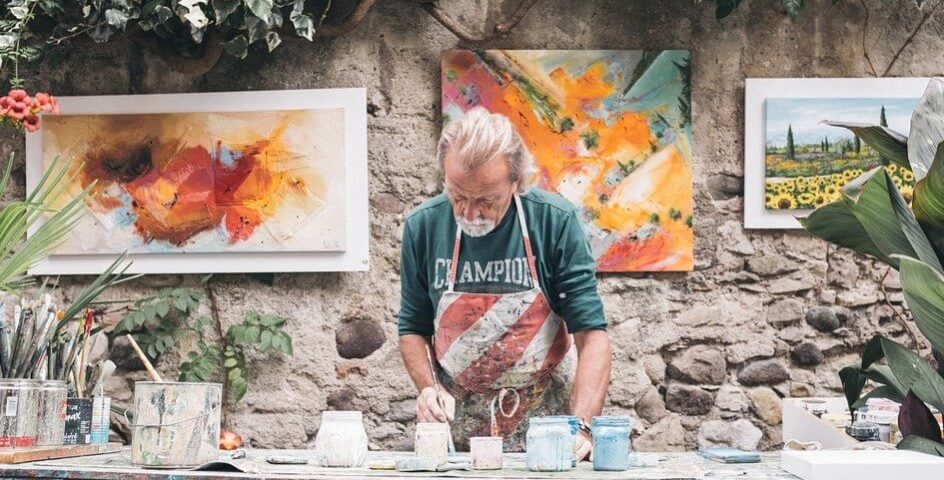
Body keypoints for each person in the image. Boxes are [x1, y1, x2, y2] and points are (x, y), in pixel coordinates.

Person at [397, 107, 612, 457]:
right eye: (458, 196)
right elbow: (412, 328)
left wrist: (583, 427)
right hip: (458, 433)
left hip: (551, 430)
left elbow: (592, 337)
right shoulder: (423, 226)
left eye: (486, 200)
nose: (469, 213)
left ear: (516, 183)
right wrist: (428, 389)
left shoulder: (554, 223)